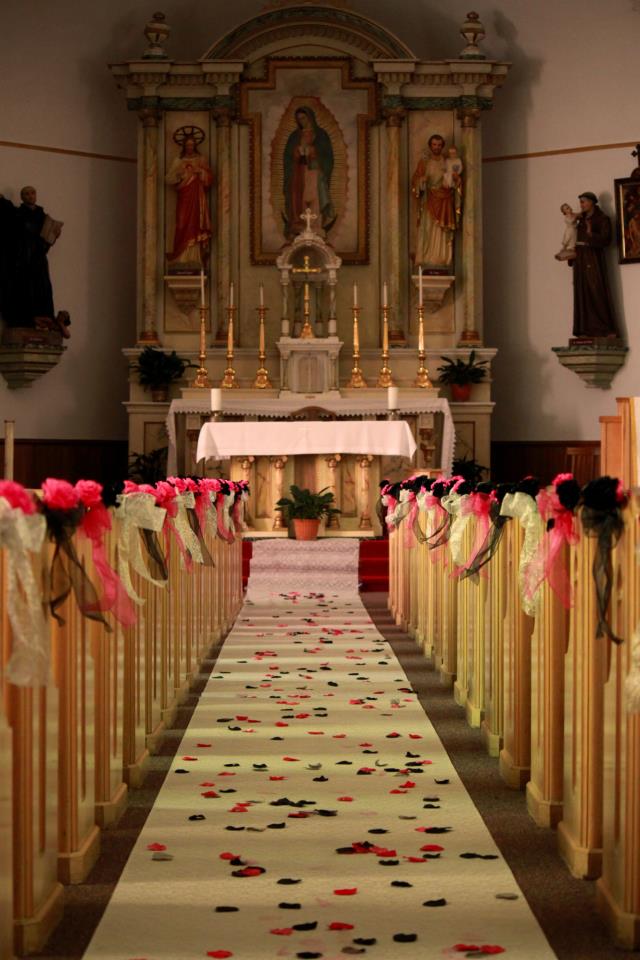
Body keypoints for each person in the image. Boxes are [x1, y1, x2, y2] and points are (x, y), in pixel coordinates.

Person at [0, 185, 67, 333]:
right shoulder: (18, 214)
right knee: (23, 288)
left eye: (32, 193)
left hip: (38, 259)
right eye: (27, 194)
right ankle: (27, 318)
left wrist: (54, 233)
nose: (30, 196)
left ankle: (45, 317)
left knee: (42, 286)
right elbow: (8, 221)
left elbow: (46, 239)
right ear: (23, 197)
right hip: (23, 259)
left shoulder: (42, 215)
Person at [571, 191, 619, 338]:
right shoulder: (580, 221)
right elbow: (574, 238)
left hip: (593, 259)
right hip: (580, 260)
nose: (581, 205)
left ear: (592, 202)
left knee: (597, 291)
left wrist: (591, 234)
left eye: (583, 201)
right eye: (580, 202)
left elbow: (606, 239)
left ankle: (605, 328)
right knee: (582, 292)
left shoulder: (602, 219)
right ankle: (584, 329)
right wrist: (570, 252)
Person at [283, 106, 335, 240]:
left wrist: (314, 152)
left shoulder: (321, 135)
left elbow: (328, 156)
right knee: (297, 196)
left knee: (313, 196)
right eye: (298, 119)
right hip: (298, 171)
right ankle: (298, 224)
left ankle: (315, 225)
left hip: (314, 171)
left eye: (303, 118)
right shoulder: (294, 136)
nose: (301, 121)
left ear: (310, 117)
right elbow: (287, 157)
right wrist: (296, 153)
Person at [411, 134, 462, 270]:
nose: (437, 148)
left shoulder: (447, 161)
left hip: (444, 199)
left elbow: (455, 182)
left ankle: (441, 259)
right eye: (434, 145)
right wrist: (421, 181)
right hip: (429, 200)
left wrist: (456, 180)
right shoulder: (424, 162)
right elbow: (415, 181)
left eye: (439, 145)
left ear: (442, 146)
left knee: (441, 231)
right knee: (427, 229)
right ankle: (427, 257)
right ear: (430, 146)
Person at [166, 135, 213, 269]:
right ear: (184, 146)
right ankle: (180, 257)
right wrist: (179, 174)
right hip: (184, 195)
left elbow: (209, 179)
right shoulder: (178, 161)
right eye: (188, 145)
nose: (190, 147)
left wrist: (200, 172)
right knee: (181, 223)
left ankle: (194, 257)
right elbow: (169, 178)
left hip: (196, 197)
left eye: (192, 145)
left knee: (195, 223)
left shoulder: (200, 160)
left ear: (195, 146)